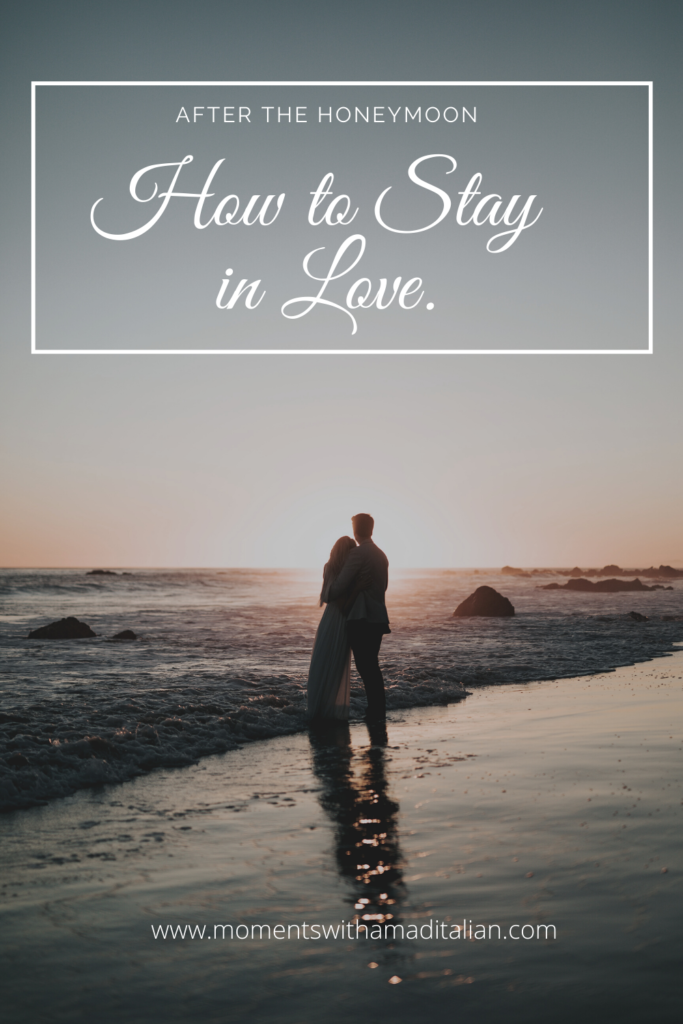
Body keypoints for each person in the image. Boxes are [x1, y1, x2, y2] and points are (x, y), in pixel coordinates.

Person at [327, 513, 390, 723]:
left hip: (361, 618)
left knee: (366, 667)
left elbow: (338, 588)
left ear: (355, 530)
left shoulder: (358, 554)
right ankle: (377, 710)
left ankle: (375, 712)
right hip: (379, 617)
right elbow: (384, 587)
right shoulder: (382, 555)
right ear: (371, 529)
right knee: (372, 665)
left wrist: (331, 587)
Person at [307, 536, 358, 720]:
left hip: (330, 618)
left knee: (322, 662)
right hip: (342, 619)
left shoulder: (330, 567)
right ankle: (329, 710)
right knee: (335, 664)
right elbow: (335, 597)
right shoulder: (350, 572)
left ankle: (318, 708)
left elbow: (326, 596)